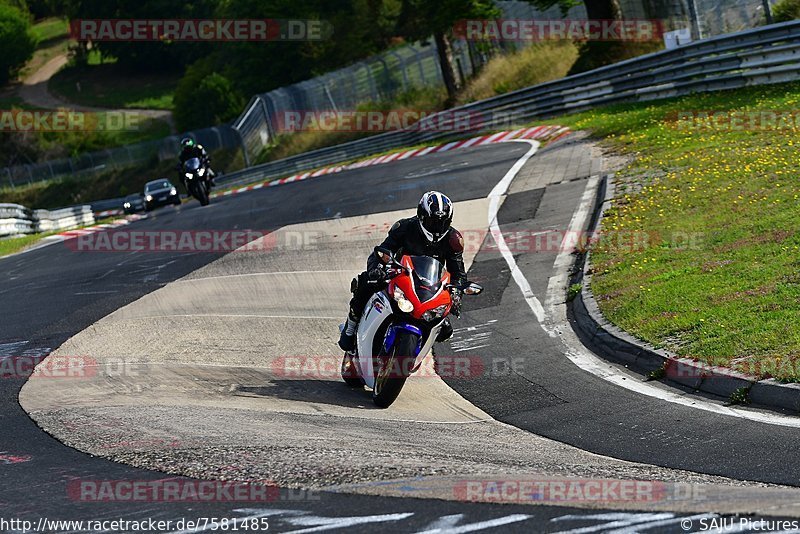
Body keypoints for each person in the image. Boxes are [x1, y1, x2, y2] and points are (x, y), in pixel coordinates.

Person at [338, 191, 467, 352]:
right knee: (367, 282)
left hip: (429, 285)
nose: (437, 227)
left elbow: (458, 273)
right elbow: (385, 249)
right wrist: (379, 268)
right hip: (396, 272)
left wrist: (456, 293)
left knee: (445, 330)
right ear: (421, 216)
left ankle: (418, 347)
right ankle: (351, 327)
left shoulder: (453, 240)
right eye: (432, 221)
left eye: (442, 222)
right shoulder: (405, 227)